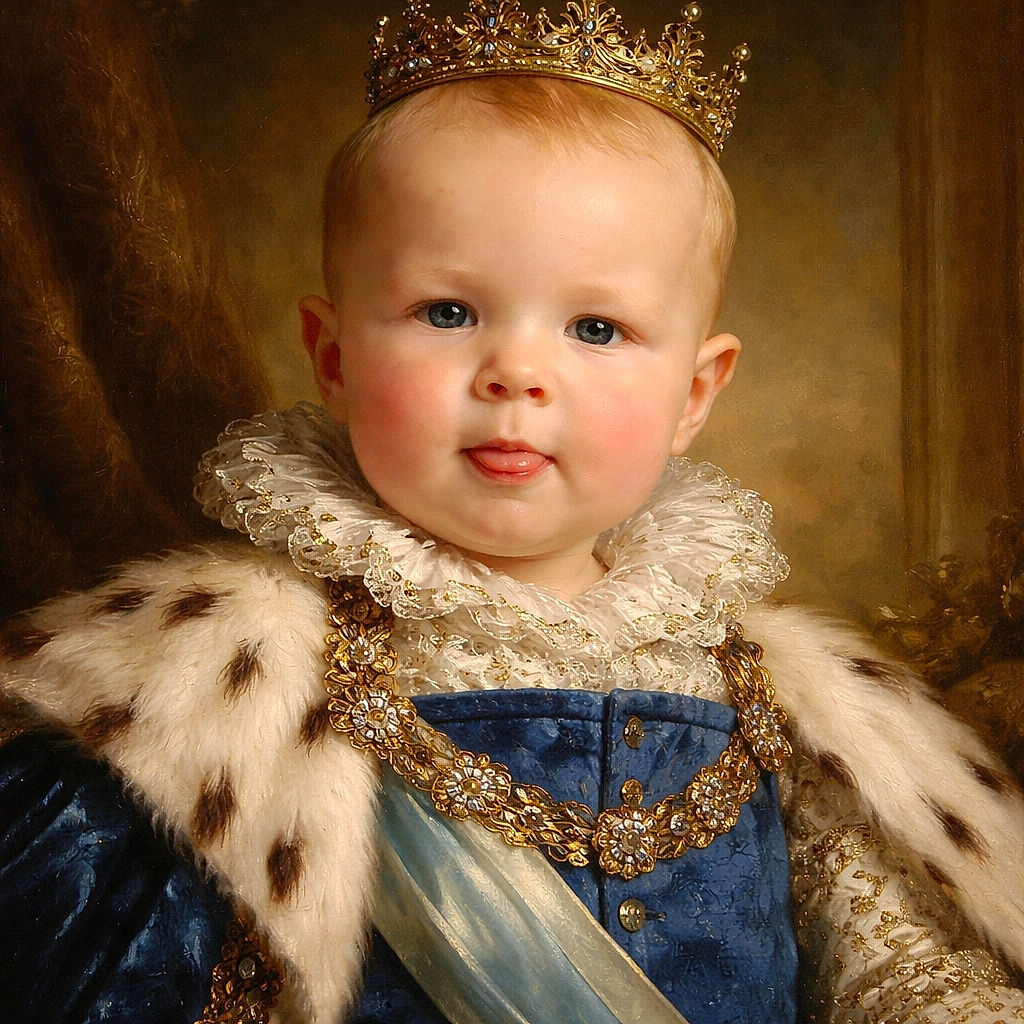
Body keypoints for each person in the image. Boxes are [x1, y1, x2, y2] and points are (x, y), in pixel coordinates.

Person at [2, 3, 1023, 1023]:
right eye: (448, 312)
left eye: (596, 326)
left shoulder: (775, 693)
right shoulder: (223, 668)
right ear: (334, 358)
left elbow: (897, 963)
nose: (517, 374)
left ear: (696, 395)